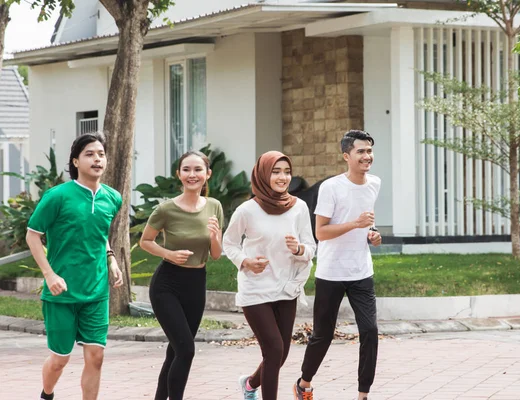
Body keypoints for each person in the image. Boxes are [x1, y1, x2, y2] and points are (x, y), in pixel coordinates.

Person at [26, 132, 123, 400]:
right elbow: (32, 235)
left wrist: (111, 258)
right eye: (89, 154)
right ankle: (47, 394)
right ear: (76, 162)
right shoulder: (57, 196)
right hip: (61, 292)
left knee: (96, 355)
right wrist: (49, 274)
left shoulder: (113, 198)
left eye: (101, 154)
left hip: (96, 290)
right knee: (60, 359)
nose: (97, 159)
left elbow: (99, 232)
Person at [293, 130, 382, 400]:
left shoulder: (374, 183)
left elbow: (367, 224)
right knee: (323, 335)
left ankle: (363, 394)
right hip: (331, 272)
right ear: (346, 156)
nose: (367, 156)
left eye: (369, 151)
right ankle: (304, 383)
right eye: (361, 152)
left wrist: (372, 234)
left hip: (361, 271)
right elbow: (321, 232)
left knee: (370, 331)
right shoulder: (331, 187)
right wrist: (355, 223)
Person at [223, 151, 316, 400]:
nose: (283, 177)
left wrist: (298, 249)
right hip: (255, 288)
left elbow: (311, 247)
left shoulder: (299, 208)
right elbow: (229, 243)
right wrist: (245, 262)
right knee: (274, 350)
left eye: (287, 171)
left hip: (286, 287)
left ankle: (251, 384)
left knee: (281, 353)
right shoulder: (247, 210)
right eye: (276, 171)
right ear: (263, 174)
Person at [139, 150, 223, 400]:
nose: (192, 174)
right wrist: (168, 254)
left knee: (175, 351)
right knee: (186, 350)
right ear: (179, 174)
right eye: (186, 169)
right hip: (167, 284)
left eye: (198, 170)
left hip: (196, 284)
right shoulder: (166, 209)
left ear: (207, 174)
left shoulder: (214, 206)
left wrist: (216, 237)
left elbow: (216, 254)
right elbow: (145, 241)